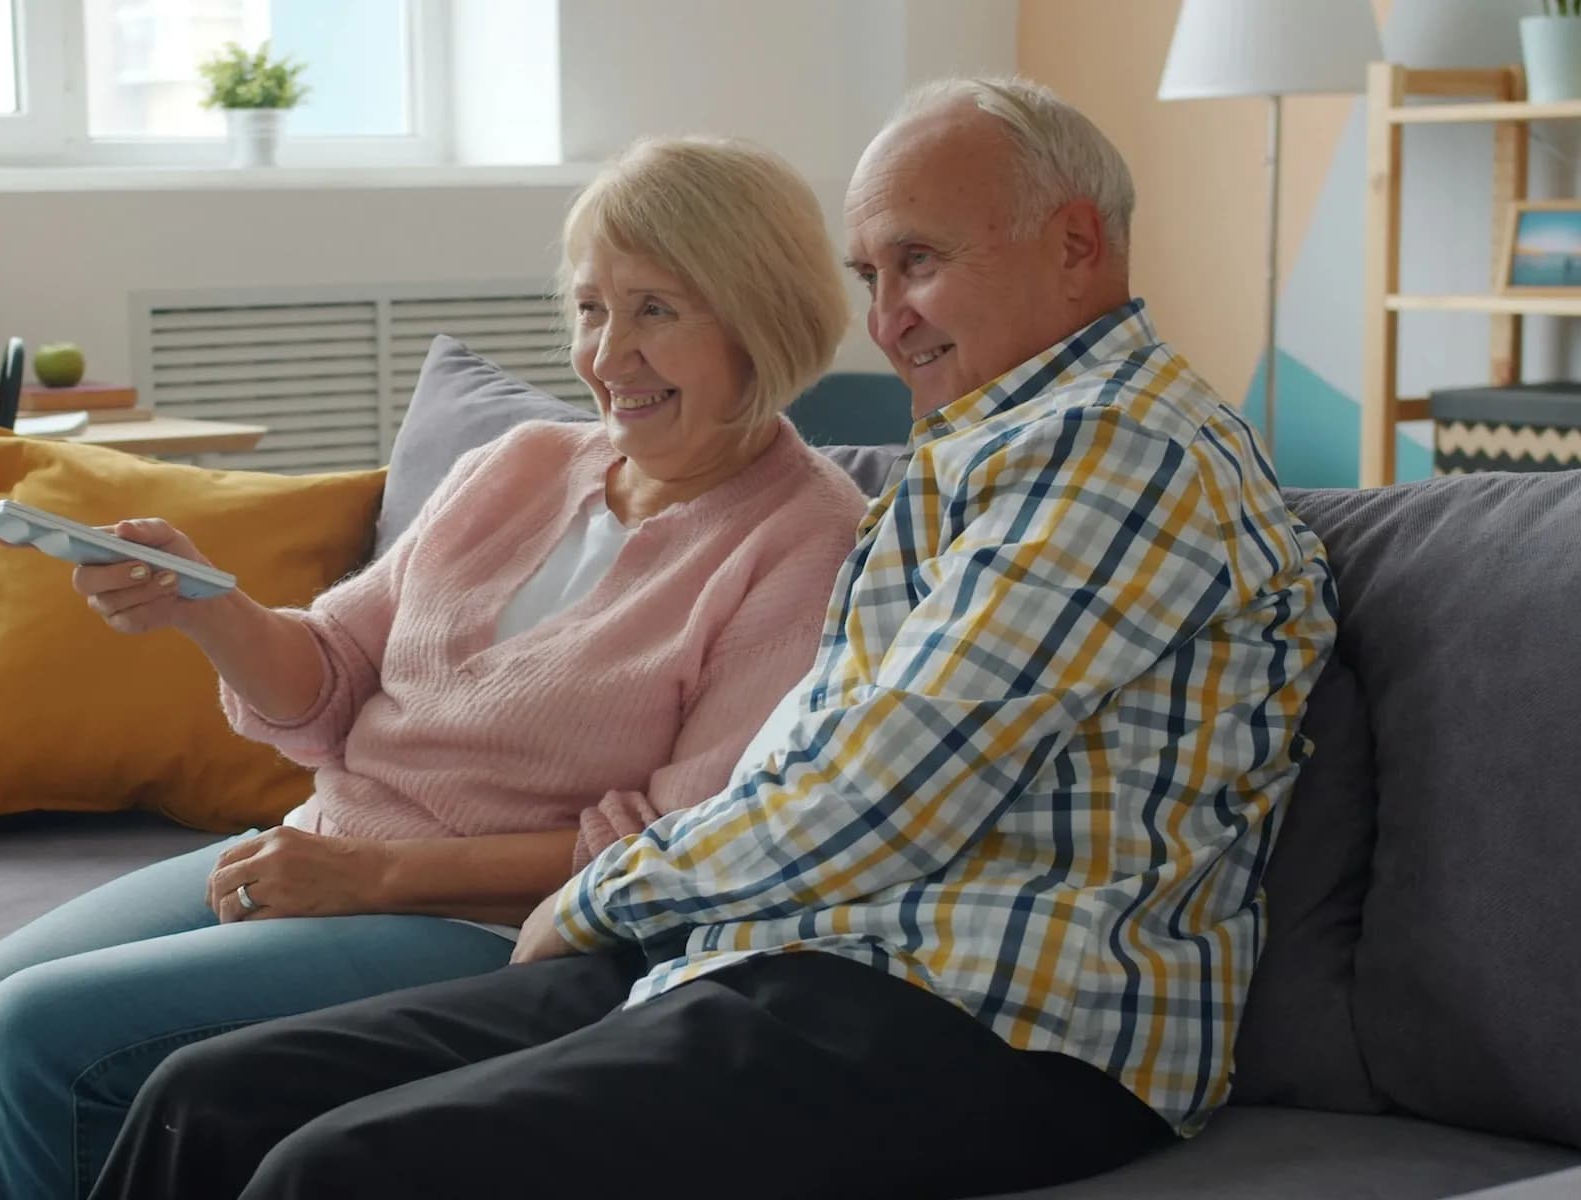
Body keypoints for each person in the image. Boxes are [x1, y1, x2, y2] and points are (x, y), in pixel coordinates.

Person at [85, 76, 1343, 1200]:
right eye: (869, 276)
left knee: (334, 1170)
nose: (888, 317)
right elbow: (804, 775)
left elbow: (880, 796)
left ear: (1077, 244)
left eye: (917, 261)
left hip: (1004, 1021)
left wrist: (598, 896)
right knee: (208, 1101)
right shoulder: (971, 457)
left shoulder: (1121, 453)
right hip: (789, 955)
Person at [0, 135, 872, 1200]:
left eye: (655, 310)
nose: (607, 354)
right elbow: (334, 672)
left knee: (32, 1039)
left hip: (486, 931)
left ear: (760, 316)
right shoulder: (522, 462)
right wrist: (208, 605)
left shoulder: (808, 541)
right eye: (589, 308)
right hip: (321, 851)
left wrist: (374, 877)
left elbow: (670, 850)